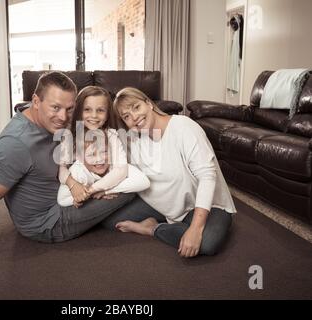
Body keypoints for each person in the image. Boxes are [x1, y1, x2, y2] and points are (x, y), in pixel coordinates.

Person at [0, 72, 135, 280]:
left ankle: (111, 216)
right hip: (50, 222)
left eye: (69, 109)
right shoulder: (15, 144)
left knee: (115, 175)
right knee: (134, 183)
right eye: (55, 107)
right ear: (36, 101)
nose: (63, 117)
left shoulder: (51, 120)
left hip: (64, 195)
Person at [111, 87, 236, 258]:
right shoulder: (134, 139)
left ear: (149, 104)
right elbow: (117, 166)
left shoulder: (183, 127)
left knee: (206, 243)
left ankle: (152, 229)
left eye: (136, 107)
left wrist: (195, 228)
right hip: (162, 205)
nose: (134, 118)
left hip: (205, 205)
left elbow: (207, 176)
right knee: (111, 220)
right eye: (126, 116)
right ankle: (171, 226)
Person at [58, 86, 129, 206]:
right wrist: (73, 185)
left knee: (132, 189)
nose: (94, 115)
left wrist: (97, 190)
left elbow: (121, 170)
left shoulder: (111, 134)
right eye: (87, 109)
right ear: (79, 111)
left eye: (100, 110)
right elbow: (62, 169)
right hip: (79, 190)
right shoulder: (70, 136)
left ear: (107, 114)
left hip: (102, 188)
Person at [57, 130, 150, 207]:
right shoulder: (78, 171)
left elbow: (144, 182)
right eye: (92, 154)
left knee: (131, 193)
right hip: (90, 205)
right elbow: (62, 200)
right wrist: (85, 195)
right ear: (80, 158)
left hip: (105, 197)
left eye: (104, 151)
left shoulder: (114, 163)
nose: (100, 159)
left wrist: (105, 191)